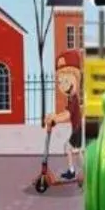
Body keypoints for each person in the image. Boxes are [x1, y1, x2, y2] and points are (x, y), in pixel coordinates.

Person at [42, 52, 84, 181]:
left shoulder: (74, 99)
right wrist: (54, 116)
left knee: (72, 148)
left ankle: (77, 171)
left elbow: (68, 115)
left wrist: (56, 119)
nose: (63, 85)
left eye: (66, 80)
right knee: (73, 149)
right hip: (76, 128)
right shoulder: (71, 99)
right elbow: (65, 112)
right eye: (60, 81)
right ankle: (77, 171)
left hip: (77, 129)